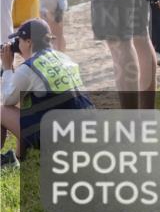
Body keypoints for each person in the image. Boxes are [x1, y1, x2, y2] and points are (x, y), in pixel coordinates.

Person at [1, 19, 93, 165]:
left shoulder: (28, 68)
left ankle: (10, 161)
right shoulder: (64, 57)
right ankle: (19, 158)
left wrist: (7, 68)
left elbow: (7, 100)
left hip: (62, 142)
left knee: (2, 110)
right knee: (28, 103)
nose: (17, 45)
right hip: (88, 135)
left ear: (29, 42)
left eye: (19, 41)